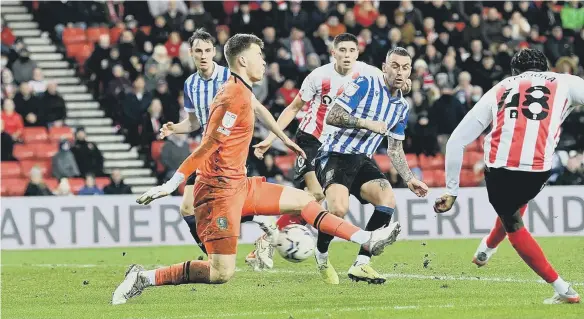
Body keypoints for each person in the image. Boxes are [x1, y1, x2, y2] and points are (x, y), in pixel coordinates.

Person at [112, 34, 402, 305]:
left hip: (240, 183)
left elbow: (261, 110)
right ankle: (143, 277)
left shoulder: (240, 89)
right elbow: (207, 146)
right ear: (242, 61)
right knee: (220, 273)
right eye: (259, 54)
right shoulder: (231, 97)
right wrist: (170, 184)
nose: (264, 60)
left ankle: (366, 238)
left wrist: (285, 139)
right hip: (218, 193)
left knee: (305, 201)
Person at [434, 48, 582, 305]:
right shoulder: (566, 81)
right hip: (539, 171)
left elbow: (456, 141)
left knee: (512, 221)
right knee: (515, 204)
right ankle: (487, 249)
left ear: (514, 72)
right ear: (545, 69)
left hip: (500, 171)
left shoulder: (500, 87)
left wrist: (452, 189)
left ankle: (563, 289)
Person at [253, 33, 406, 271]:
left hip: (342, 145)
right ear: (333, 53)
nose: (347, 56)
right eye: (342, 50)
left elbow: (392, 79)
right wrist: (271, 139)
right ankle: (269, 237)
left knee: (315, 200)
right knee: (315, 195)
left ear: (358, 53)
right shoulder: (318, 76)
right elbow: (294, 109)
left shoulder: (368, 73)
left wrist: (404, 83)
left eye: (351, 51)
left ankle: (275, 235)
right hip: (312, 140)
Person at [156, 29, 277, 266]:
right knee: (188, 209)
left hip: (230, 153)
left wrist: (276, 135)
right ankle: (216, 253)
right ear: (190, 53)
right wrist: (175, 129)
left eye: (208, 50)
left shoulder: (229, 77)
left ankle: (258, 223)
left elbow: (255, 108)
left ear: (215, 52)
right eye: (198, 51)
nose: (203, 55)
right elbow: (193, 122)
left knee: (225, 204)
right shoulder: (190, 84)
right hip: (206, 155)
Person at [309, 47, 428, 285]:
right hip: (335, 153)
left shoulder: (401, 107)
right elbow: (332, 115)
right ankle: (321, 254)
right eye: (394, 66)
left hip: (363, 160)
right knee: (338, 210)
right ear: (384, 67)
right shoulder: (364, 84)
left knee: (388, 202)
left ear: (410, 72)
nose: (399, 72)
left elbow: (395, 148)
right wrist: (366, 123)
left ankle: (362, 264)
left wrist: (409, 178)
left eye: (405, 68)